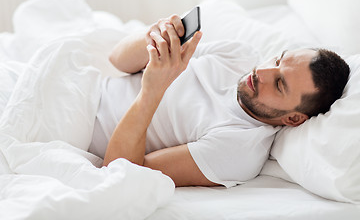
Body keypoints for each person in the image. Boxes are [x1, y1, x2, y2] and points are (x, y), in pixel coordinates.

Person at [88, 14, 350, 187]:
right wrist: (156, 36)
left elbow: (120, 170)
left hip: (75, 121)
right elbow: (117, 59)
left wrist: (151, 92)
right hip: (82, 83)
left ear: (293, 118)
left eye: (280, 83)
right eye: (278, 60)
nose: (262, 71)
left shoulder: (239, 149)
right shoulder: (237, 54)